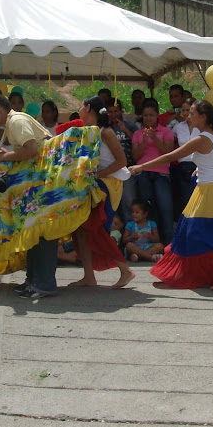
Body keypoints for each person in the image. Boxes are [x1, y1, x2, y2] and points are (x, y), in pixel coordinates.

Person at [130, 100, 213, 290]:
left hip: (211, 191)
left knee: (198, 234)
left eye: (192, 113)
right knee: (189, 233)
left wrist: (141, 166)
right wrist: (200, 169)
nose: (188, 116)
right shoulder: (210, 135)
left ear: (203, 117)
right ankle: (185, 273)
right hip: (207, 189)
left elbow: (171, 156)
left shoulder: (202, 138)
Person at [0, 94, 59, 297]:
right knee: (32, 229)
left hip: (44, 180)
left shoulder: (16, 121)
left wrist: (3, 156)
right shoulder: (12, 124)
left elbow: (31, 149)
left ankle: (44, 284)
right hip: (38, 181)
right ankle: (34, 281)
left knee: (41, 230)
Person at [69, 96, 135, 288]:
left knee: (94, 228)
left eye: (81, 106)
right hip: (94, 184)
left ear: (88, 108)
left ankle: (125, 270)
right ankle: (89, 276)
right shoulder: (88, 131)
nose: (79, 109)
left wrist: (97, 175)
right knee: (81, 229)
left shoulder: (106, 132)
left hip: (107, 184)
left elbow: (122, 161)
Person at [132, 100, 175, 243]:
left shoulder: (166, 131)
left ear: (157, 115)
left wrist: (154, 138)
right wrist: (144, 141)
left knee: (165, 207)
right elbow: (135, 156)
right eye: (145, 116)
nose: (148, 118)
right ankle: (150, 243)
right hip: (143, 173)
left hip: (161, 174)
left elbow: (168, 153)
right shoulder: (138, 133)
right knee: (147, 209)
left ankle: (168, 242)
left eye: (151, 115)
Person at [107, 98, 138, 224]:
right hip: (110, 170)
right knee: (113, 203)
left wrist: (125, 129)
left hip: (127, 169)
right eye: (110, 112)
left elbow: (137, 142)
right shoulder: (105, 129)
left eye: (116, 111)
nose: (113, 115)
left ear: (121, 111)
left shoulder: (130, 126)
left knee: (129, 201)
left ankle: (130, 232)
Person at [171, 97, 197, 218]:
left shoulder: (202, 127)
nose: (186, 113)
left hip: (199, 167)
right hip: (183, 168)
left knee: (199, 201)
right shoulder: (178, 127)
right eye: (184, 110)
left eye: (189, 110)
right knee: (186, 201)